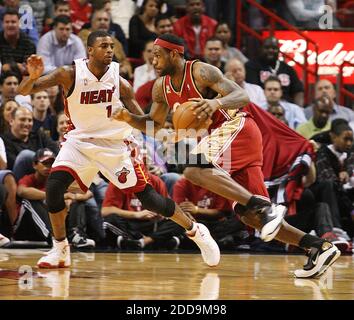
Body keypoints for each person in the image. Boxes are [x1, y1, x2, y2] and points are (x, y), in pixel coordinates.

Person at [112, 33, 341, 278]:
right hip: (224, 139)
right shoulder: (161, 87)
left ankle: (264, 206)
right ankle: (318, 247)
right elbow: (154, 124)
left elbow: (242, 96)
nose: (153, 61)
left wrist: (215, 104)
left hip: (238, 126)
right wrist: (128, 117)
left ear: (174, 54)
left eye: (158, 55)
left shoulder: (200, 71)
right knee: (251, 217)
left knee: (193, 168)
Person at [18, 30, 220, 268]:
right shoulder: (68, 73)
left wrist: (165, 133)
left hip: (116, 144)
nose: (110, 50)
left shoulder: (120, 81)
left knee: (151, 200)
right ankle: (60, 249)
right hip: (79, 141)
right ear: (90, 50)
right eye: (104, 46)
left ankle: (195, 230)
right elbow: (25, 90)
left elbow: (144, 120)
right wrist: (31, 77)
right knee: (53, 189)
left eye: (112, 46)